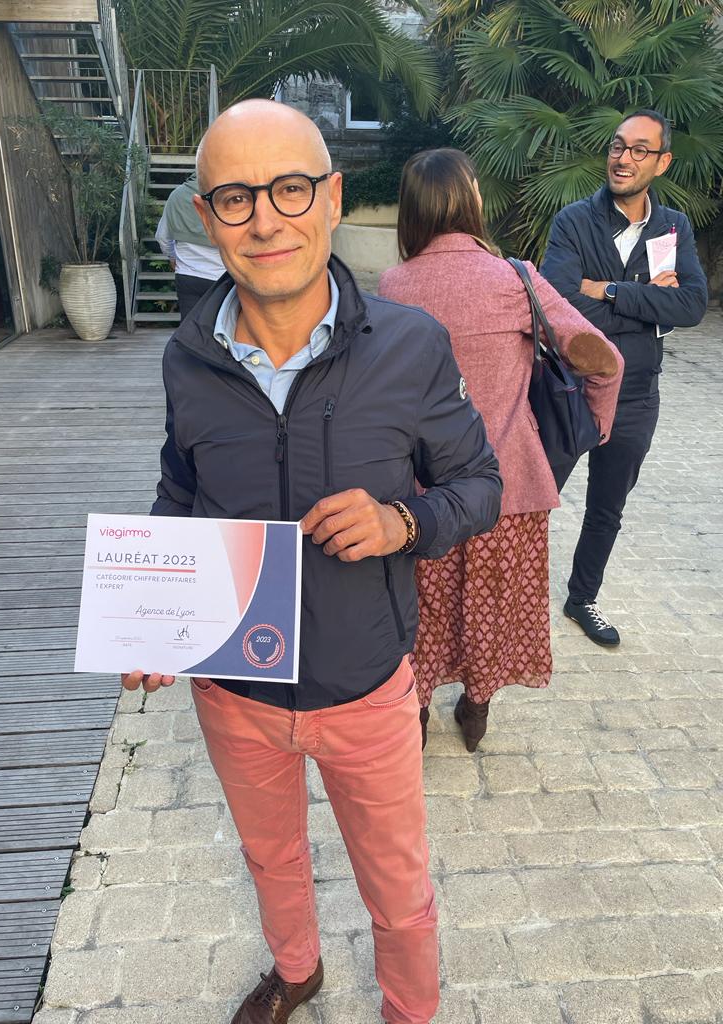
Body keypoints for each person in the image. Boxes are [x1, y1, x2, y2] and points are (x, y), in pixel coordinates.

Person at [122, 102, 502, 1024]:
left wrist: (403, 522)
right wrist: (150, 615)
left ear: (331, 198)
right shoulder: (187, 356)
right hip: (235, 691)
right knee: (271, 856)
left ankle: (409, 1010)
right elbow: (180, 490)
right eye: (236, 197)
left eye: (290, 189)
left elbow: (481, 485)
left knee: (397, 886)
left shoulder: (410, 346)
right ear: (207, 218)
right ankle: (297, 970)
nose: (266, 219)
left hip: (365, 685)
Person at [379, 149, 623, 751]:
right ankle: (477, 705)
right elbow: (604, 359)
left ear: (411, 210)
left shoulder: (393, 286)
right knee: (492, 606)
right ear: (473, 203)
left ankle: (412, 712)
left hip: (420, 493)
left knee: (421, 607)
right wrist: (596, 424)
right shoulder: (515, 279)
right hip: (507, 486)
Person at [540, 109, 708, 645]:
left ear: (662, 162)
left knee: (607, 508)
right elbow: (559, 305)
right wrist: (648, 303)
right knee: (536, 500)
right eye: (617, 146)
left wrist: (608, 290)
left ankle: (582, 598)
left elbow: (692, 305)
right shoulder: (573, 221)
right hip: (570, 390)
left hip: (636, 395)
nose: (623, 158)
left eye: (639, 150)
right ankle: (510, 596)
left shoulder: (673, 227)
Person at [155, 172, 226, 319]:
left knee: (189, 326)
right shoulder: (228, 196)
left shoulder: (176, 195)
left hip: (187, 274)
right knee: (224, 326)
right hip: (222, 276)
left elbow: (162, 236)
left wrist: (172, 257)